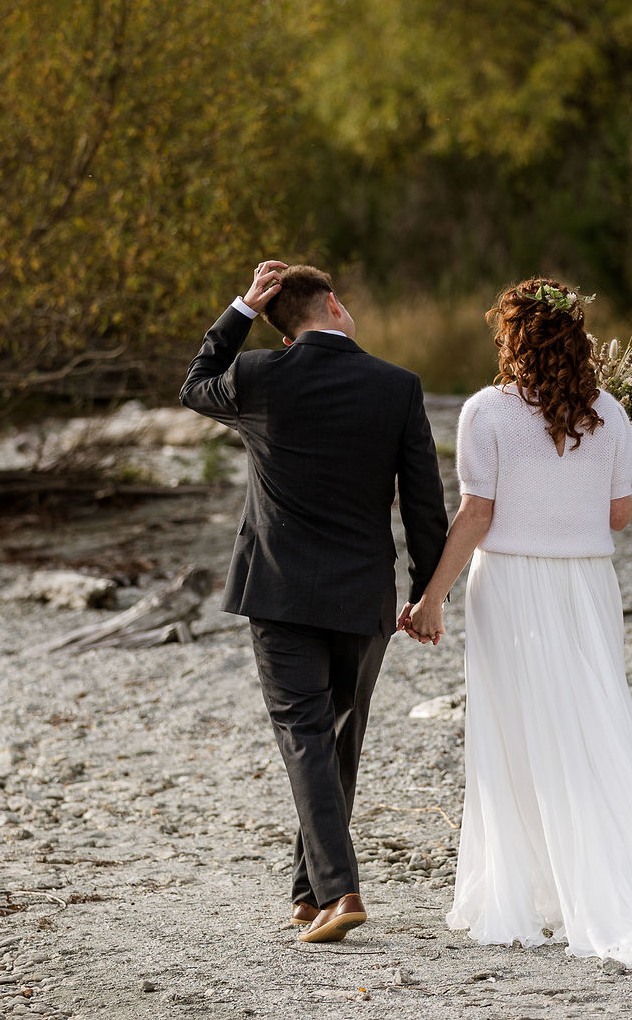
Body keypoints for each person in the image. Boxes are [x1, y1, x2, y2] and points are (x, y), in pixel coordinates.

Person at [399, 278, 632, 970]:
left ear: (514, 339)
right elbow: (618, 514)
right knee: (592, 719)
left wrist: (431, 597)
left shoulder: (485, 411)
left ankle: (530, 891)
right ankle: (593, 877)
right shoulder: (610, 413)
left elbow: (477, 514)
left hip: (510, 582)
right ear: (576, 338)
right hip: (586, 584)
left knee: (517, 728)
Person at [181, 261, 448, 944]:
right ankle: (310, 893)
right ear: (332, 304)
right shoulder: (396, 386)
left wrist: (240, 308)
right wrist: (427, 593)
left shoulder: (259, 376)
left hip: (280, 591)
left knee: (305, 737)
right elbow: (423, 504)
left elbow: (194, 384)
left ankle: (337, 890)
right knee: (336, 744)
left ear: (279, 317)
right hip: (363, 595)